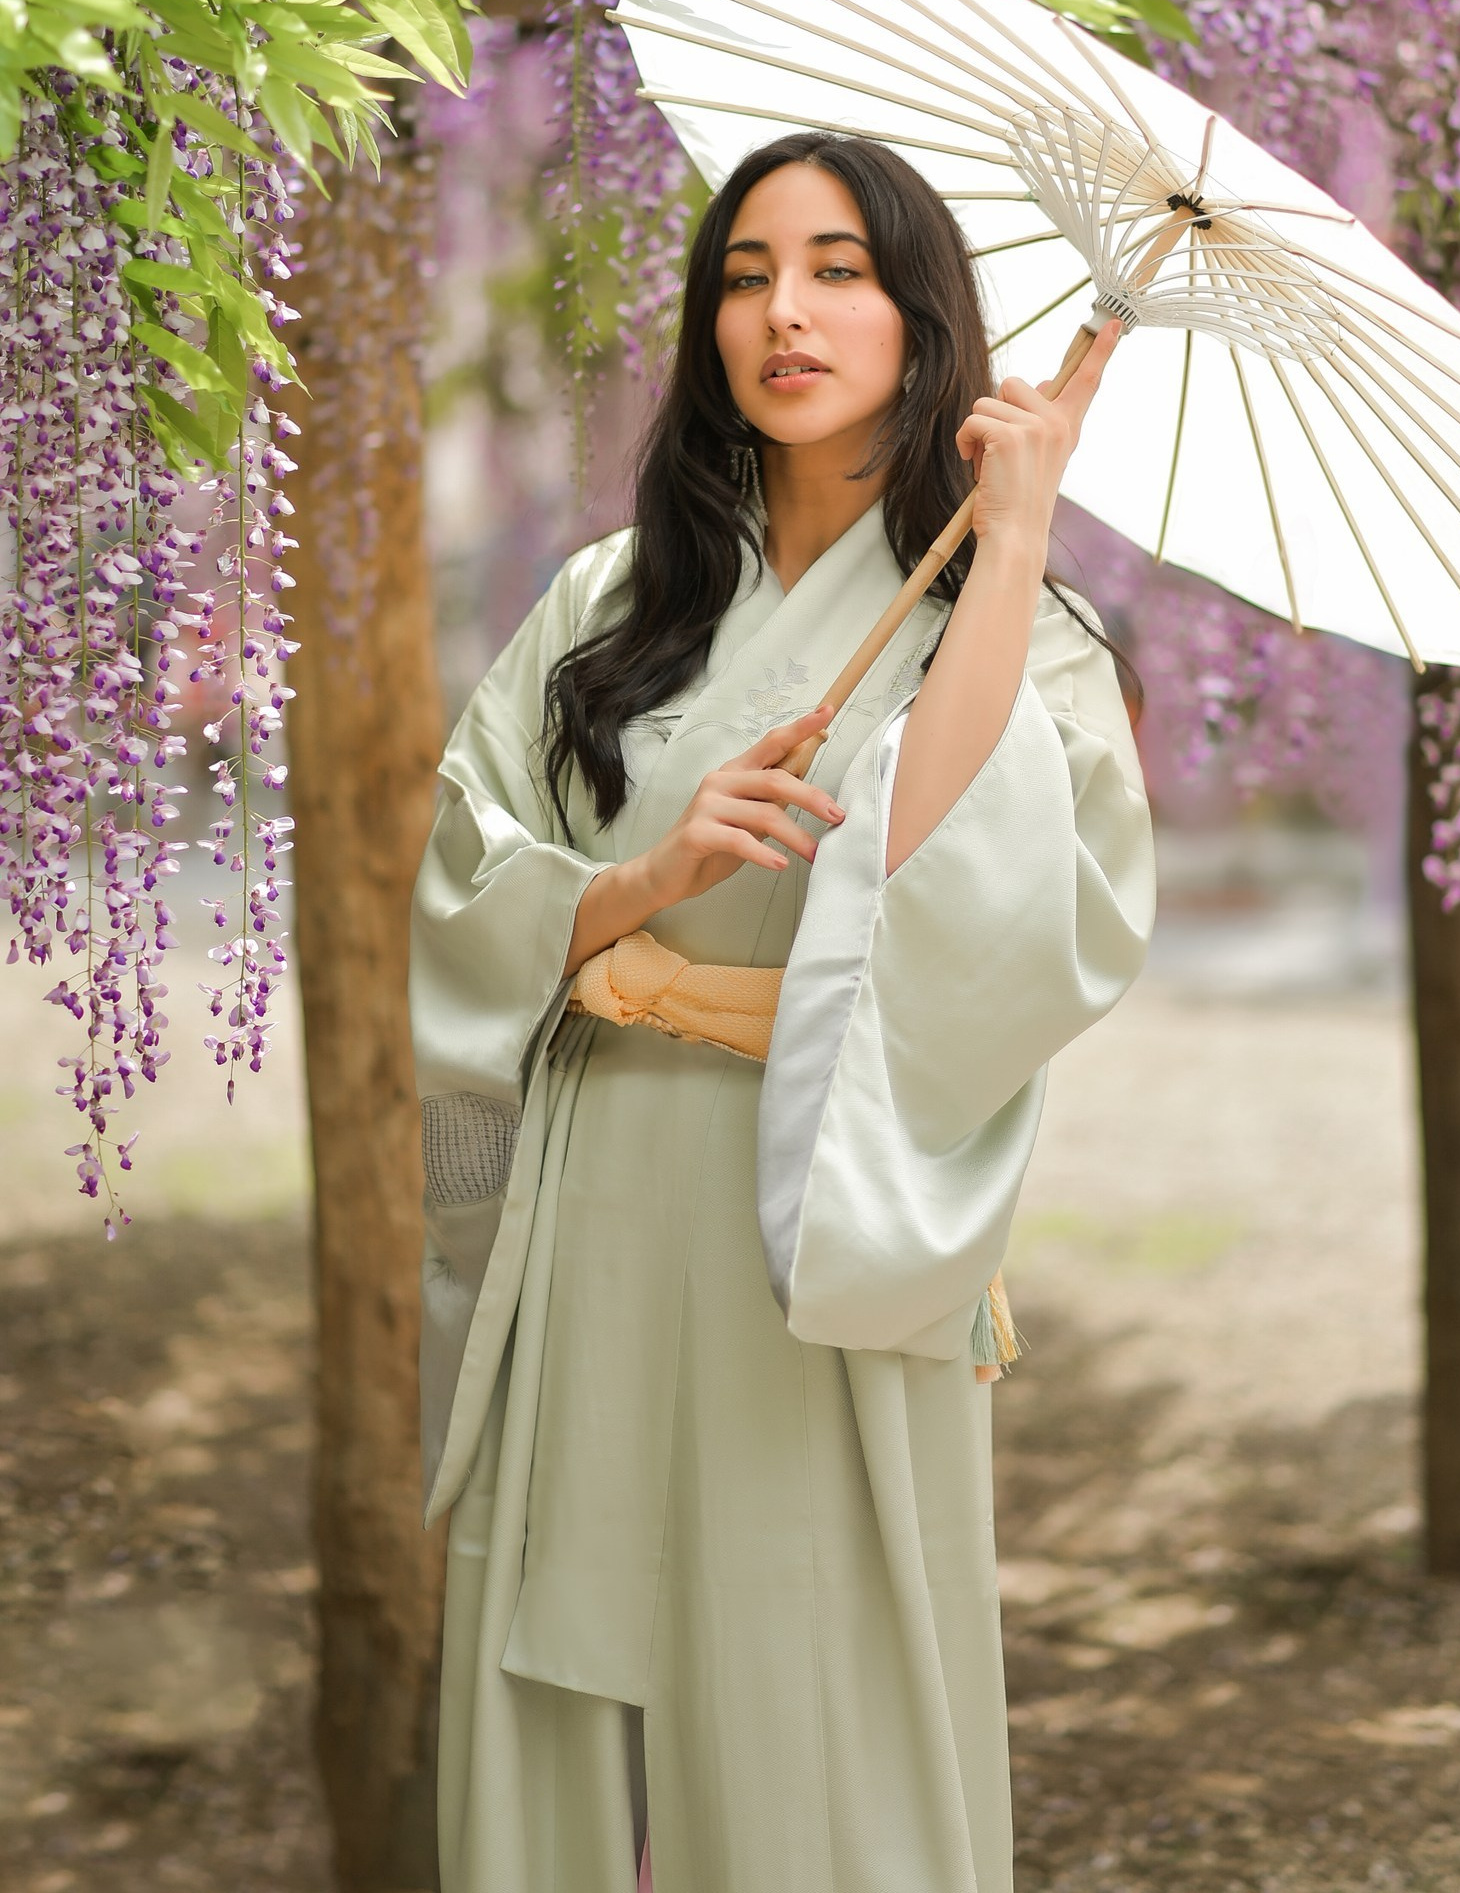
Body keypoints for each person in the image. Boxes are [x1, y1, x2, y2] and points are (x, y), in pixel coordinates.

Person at [410, 131, 1156, 1893]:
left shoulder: (1026, 627)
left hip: (814, 1210)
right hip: (596, 1185)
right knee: (556, 1665)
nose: (784, 315)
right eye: (745, 277)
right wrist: (645, 878)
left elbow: (969, 910)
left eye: (838, 272)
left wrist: (1014, 536)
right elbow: (460, 876)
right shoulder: (606, 600)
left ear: (922, 321)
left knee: (813, 1682)